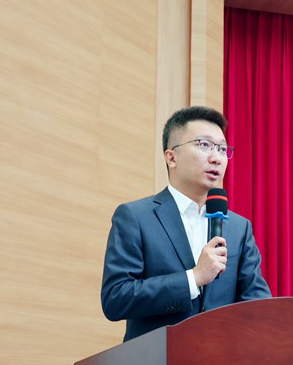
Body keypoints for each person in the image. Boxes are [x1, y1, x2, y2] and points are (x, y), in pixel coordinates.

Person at [101, 105, 272, 343]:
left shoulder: (238, 227)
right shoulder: (135, 217)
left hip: (222, 361)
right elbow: (116, 298)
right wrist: (193, 278)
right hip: (157, 360)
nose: (216, 158)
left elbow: (258, 306)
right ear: (171, 157)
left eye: (222, 149)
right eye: (204, 145)